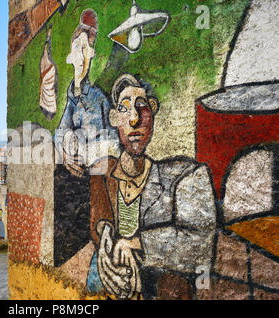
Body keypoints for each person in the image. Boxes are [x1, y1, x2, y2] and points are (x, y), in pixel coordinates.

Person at [86, 74, 217, 299]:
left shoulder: (183, 175)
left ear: (153, 113)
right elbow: (99, 212)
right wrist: (105, 233)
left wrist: (136, 243)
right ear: (114, 118)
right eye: (124, 109)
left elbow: (200, 244)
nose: (134, 119)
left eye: (142, 107)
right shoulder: (104, 171)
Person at [54, 9, 119, 177]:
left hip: (96, 176)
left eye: (85, 49)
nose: (80, 56)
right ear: (69, 57)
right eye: (77, 48)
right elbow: (60, 133)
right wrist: (66, 157)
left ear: (91, 55)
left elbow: (113, 143)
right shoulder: (72, 99)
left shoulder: (98, 99)